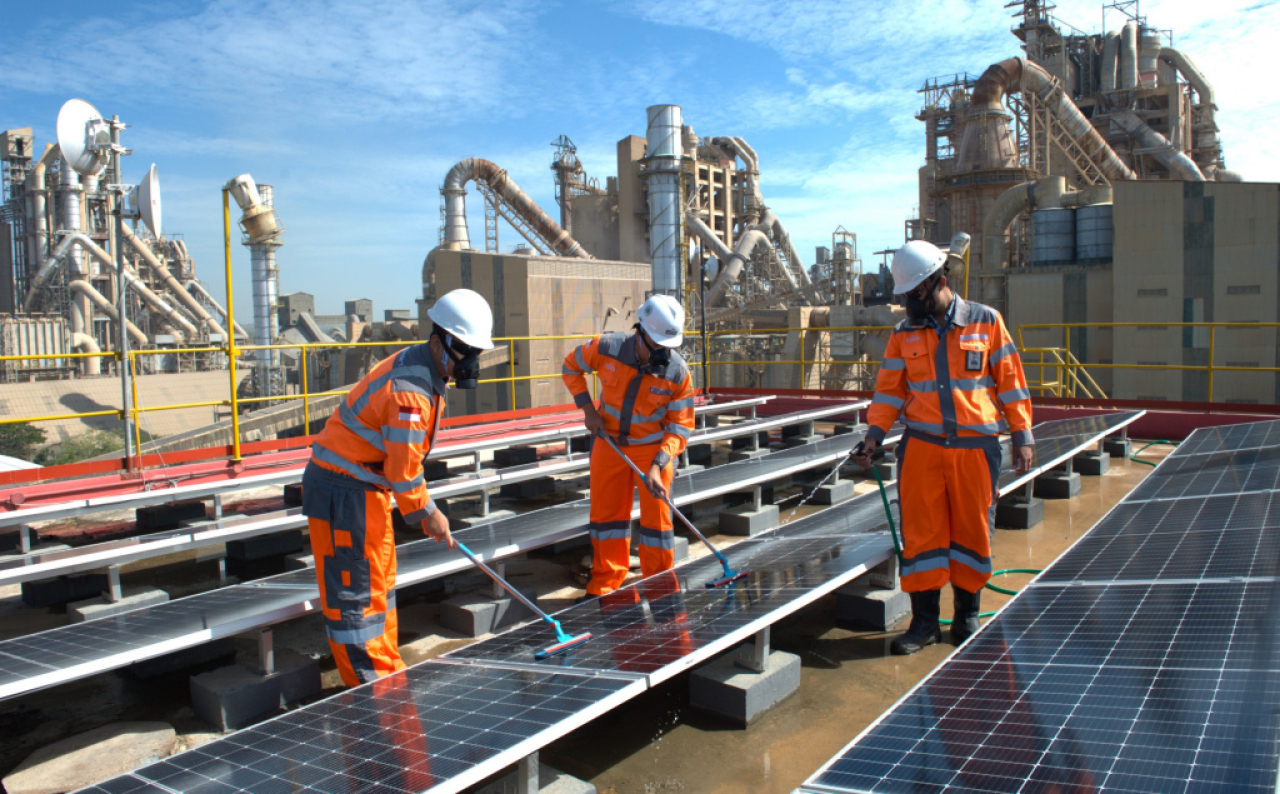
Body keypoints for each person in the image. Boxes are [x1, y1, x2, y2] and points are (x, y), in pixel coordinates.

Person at [301, 288, 494, 685]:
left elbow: (399, 470)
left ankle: (386, 680)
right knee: (357, 602)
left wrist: (421, 508)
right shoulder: (411, 391)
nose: (471, 362)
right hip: (345, 494)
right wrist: (430, 514)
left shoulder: (427, 370)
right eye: (466, 350)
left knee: (378, 587)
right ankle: (375, 697)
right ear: (440, 342)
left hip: (365, 491)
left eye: (477, 351)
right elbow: (405, 473)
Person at [854, 240, 1034, 655]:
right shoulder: (903, 335)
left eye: (915, 294)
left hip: (976, 448)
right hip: (922, 448)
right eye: (905, 297)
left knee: (973, 531)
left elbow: (1010, 381)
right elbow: (888, 393)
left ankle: (967, 615)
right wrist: (873, 437)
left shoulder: (987, 322)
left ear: (940, 282)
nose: (909, 305)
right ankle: (924, 624)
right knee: (921, 535)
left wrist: (1022, 435)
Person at [561, 294, 696, 597]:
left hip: (653, 450)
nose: (665, 353)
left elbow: (681, 426)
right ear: (642, 332)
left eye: (669, 347)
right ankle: (606, 583)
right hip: (608, 443)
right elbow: (570, 367)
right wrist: (589, 411)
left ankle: (660, 585)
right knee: (607, 518)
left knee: (657, 524)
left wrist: (659, 465)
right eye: (659, 345)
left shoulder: (677, 372)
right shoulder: (606, 348)